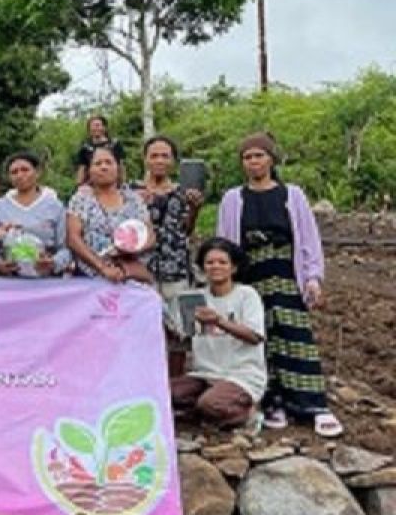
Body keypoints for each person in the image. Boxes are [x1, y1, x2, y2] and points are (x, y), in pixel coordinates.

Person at [216, 132, 340, 437]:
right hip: (251, 277)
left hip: (285, 273)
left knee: (295, 335)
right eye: (247, 157)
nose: (253, 161)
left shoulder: (292, 194)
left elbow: (308, 238)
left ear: (271, 158)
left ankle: (314, 405)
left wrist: (312, 277)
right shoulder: (233, 199)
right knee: (260, 340)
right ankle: (274, 403)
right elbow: (225, 242)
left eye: (259, 155)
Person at [170, 238, 266, 430]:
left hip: (241, 375)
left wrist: (219, 321)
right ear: (203, 268)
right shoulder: (193, 298)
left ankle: (248, 414)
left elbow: (255, 336)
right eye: (210, 262)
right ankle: (205, 414)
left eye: (222, 262)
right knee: (165, 395)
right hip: (204, 374)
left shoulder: (246, 295)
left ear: (234, 268)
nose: (216, 267)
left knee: (210, 404)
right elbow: (184, 338)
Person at [134, 135, 202, 373]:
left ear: (174, 161)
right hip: (142, 269)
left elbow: (186, 230)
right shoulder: (132, 191)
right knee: (143, 328)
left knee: (182, 331)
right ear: (145, 159)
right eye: (154, 155)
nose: (159, 160)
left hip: (177, 267)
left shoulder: (184, 192)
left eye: (165, 156)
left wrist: (195, 208)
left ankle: (176, 385)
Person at [66, 146, 153, 283]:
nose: (103, 167)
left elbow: (150, 235)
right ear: (89, 171)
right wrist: (102, 268)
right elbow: (73, 238)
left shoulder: (133, 199)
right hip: (91, 277)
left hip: (130, 275)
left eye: (108, 162)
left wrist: (129, 249)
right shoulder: (80, 200)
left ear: (118, 168)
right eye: (98, 163)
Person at [0, 152, 71, 277]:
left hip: (47, 282)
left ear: (37, 172)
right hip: (10, 282)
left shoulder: (55, 206)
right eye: (14, 172)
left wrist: (54, 263)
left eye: (25, 170)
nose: (20, 175)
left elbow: (65, 248)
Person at [74, 115, 126, 185]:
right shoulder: (85, 148)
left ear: (104, 127)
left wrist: (123, 182)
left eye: (98, 125)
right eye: (92, 126)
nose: (95, 128)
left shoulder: (115, 144)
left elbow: (121, 165)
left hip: (113, 183)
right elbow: (82, 168)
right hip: (92, 184)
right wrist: (79, 185)